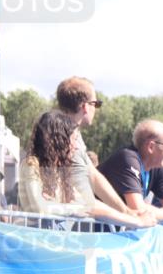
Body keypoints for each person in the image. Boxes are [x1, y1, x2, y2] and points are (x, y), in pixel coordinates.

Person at [18, 110, 152, 227]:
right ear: (59, 140)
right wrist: (76, 209)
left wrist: (129, 215)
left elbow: (89, 204)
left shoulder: (61, 172)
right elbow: (40, 209)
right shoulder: (31, 164)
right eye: (73, 139)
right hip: (35, 241)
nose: (76, 146)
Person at [55, 76, 137, 219]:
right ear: (86, 106)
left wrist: (126, 211)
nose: (96, 109)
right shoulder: (60, 137)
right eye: (96, 104)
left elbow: (93, 176)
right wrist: (131, 219)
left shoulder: (72, 134)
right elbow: (79, 197)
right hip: (47, 229)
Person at [98, 119, 163, 221]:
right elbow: (138, 209)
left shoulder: (157, 166)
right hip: (90, 228)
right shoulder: (127, 158)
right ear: (151, 146)